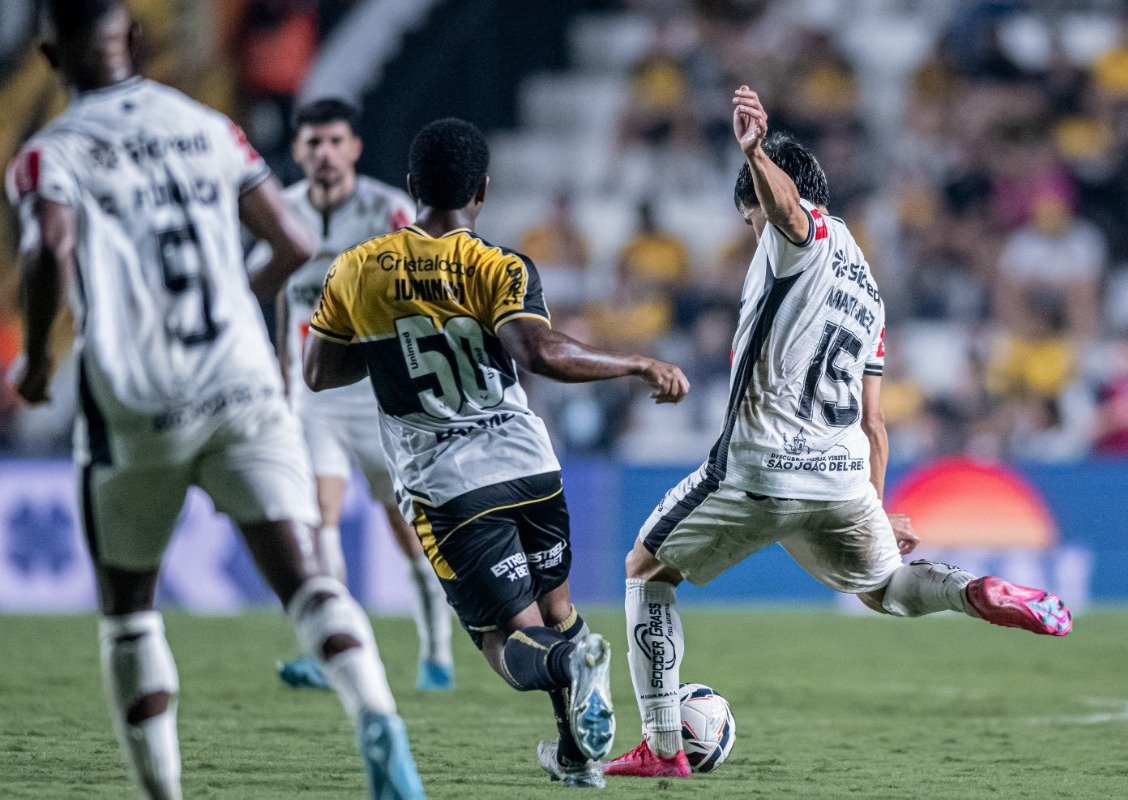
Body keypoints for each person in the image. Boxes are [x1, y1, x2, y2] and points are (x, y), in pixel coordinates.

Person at [4, 3, 424, 799]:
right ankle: (377, 716)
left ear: (53, 56)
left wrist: (33, 364)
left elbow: (48, 249)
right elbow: (296, 242)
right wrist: (237, 294)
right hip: (241, 377)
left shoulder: (49, 154)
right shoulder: (210, 128)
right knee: (308, 580)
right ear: (130, 42)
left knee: (130, 613)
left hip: (139, 401)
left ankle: (162, 789)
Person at [604, 87, 1073, 780]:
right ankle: (972, 591)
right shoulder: (870, 288)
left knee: (645, 570)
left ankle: (664, 745)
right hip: (843, 474)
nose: (748, 235)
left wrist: (755, 152)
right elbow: (875, 420)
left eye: (746, 219)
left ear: (757, 204)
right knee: (883, 587)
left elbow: (790, 216)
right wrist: (877, 508)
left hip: (760, 465)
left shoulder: (799, 234)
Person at [304, 117, 690, 788]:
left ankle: (573, 677)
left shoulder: (359, 269)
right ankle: (576, 754)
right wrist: (634, 362)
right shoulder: (500, 266)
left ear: (410, 188)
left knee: (507, 640)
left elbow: (320, 373)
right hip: (530, 465)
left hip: (448, 485)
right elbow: (540, 353)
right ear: (482, 190)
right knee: (558, 615)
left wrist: (389, 342)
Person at [263, 97, 455, 693]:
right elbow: (277, 298)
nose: (324, 153)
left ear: (354, 148)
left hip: (378, 397)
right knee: (316, 522)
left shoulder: (387, 211)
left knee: (407, 531)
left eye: (334, 141)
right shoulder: (279, 213)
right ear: (298, 151)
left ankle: (437, 656)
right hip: (311, 399)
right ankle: (336, 652)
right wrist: (277, 370)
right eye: (313, 142)